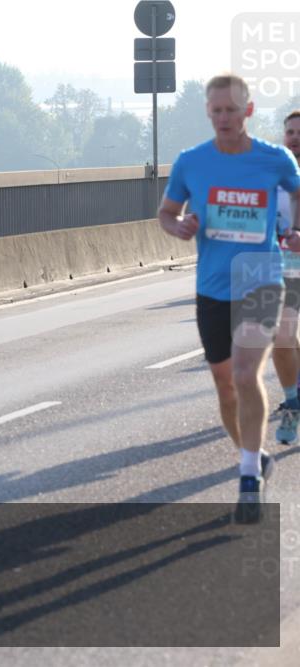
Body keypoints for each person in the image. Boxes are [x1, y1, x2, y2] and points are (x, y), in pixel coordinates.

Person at [158, 75, 300, 522]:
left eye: (232, 110)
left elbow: (297, 193)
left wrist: (296, 229)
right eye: (216, 110)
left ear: (248, 111)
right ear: (208, 112)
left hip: (261, 276)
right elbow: (166, 212)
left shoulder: (275, 159)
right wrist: (178, 227)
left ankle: (247, 478)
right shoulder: (191, 162)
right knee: (224, 383)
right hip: (212, 286)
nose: (224, 118)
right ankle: (253, 456)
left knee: (244, 373)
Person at [272, 110, 300, 444]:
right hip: (285, 266)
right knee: (282, 337)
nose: (295, 138)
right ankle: (294, 402)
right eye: (290, 132)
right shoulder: (273, 175)